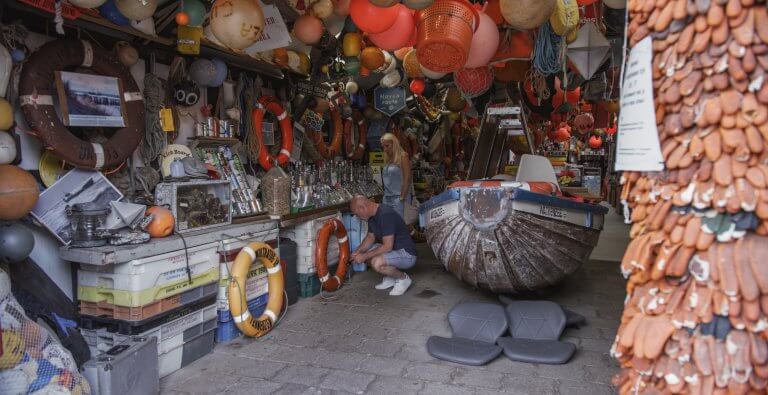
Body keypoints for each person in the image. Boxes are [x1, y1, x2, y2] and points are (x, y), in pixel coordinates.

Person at [349, 195, 417, 296]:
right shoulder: (371, 216)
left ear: (362, 208)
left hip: (407, 254)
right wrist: (358, 252)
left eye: (357, 214)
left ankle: (403, 278)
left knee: (377, 262)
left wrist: (364, 256)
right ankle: (390, 278)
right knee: (366, 255)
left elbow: (387, 247)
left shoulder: (385, 214)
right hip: (393, 251)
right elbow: (370, 237)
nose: (358, 218)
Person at [380, 133, 413, 219]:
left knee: (400, 226)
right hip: (387, 198)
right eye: (383, 147)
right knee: (388, 225)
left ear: (394, 144)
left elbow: (407, 178)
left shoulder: (403, 157)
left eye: (387, 146)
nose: (385, 149)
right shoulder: (387, 159)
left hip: (399, 198)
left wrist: (402, 197)